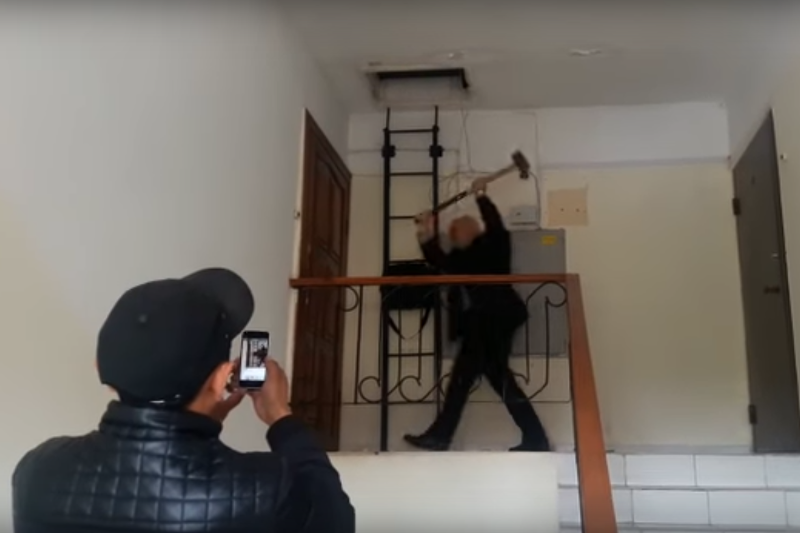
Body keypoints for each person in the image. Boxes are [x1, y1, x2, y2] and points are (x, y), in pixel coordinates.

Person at [12, 268, 355, 533]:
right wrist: (280, 416)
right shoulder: (266, 488)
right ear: (223, 378)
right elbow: (335, 519)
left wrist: (200, 418)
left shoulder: (38, 471)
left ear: (101, 368)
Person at [404, 178, 551, 452]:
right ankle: (535, 438)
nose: (453, 235)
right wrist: (426, 231)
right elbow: (440, 260)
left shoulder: (495, 243)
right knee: (487, 380)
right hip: (483, 321)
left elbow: (495, 225)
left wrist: (481, 196)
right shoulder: (463, 258)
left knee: (467, 379)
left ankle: (441, 436)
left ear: (471, 229)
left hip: (496, 317)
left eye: (456, 230)